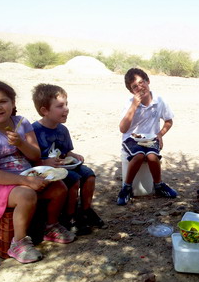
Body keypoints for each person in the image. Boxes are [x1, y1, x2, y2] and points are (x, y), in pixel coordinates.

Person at [0, 80, 75, 264]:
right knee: (27, 195)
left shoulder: (21, 123)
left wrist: (21, 143)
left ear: (13, 103)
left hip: (26, 174)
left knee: (59, 187)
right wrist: (26, 181)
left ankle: (50, 227)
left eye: (3, 101)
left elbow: (35, 155)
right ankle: (18, 243)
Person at [31, 83, 104, 235]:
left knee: (89, 175)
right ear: (44, 110)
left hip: (64, 165)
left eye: (66, 104)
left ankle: (85, 210)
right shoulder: (34, 131)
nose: (66, 109)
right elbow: (31, 158)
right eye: (60, 106)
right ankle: (69, 217)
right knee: (74, 179)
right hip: (47, 170)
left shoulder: (62, 129)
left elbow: (66, 152)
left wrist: (74, 156)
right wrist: (44, 162)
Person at [118, 68, 177, 205]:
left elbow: (169, 121)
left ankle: (158, 184)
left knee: (152, 156)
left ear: (148, 81)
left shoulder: (159, 101)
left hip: (151, 138)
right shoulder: (130, 103)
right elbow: (123, 129)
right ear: (132, 91)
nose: (140, 87)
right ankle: (126, 187)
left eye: (141, 82)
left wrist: (160, 134)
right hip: (131, 138)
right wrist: (134, 106)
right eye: (135, 87)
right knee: (138, 155)